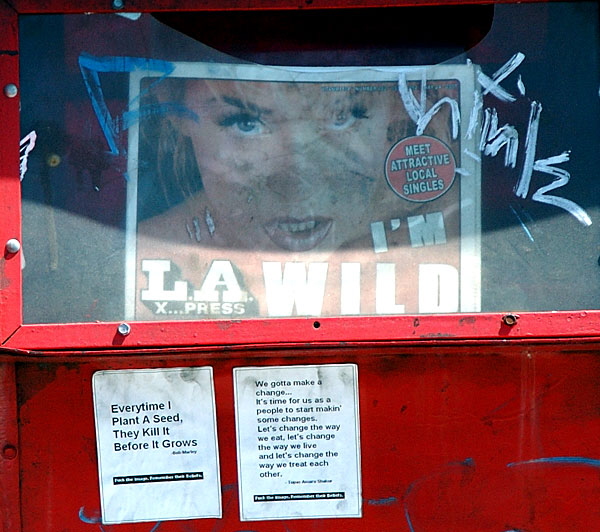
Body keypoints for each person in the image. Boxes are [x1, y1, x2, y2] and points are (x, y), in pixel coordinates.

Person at [136, 70, 463, 319]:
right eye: (246, 122)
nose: (297, 184)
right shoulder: (137, 270)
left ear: (398, 110)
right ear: (175, 112)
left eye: (343, 115)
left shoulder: (464, 251)